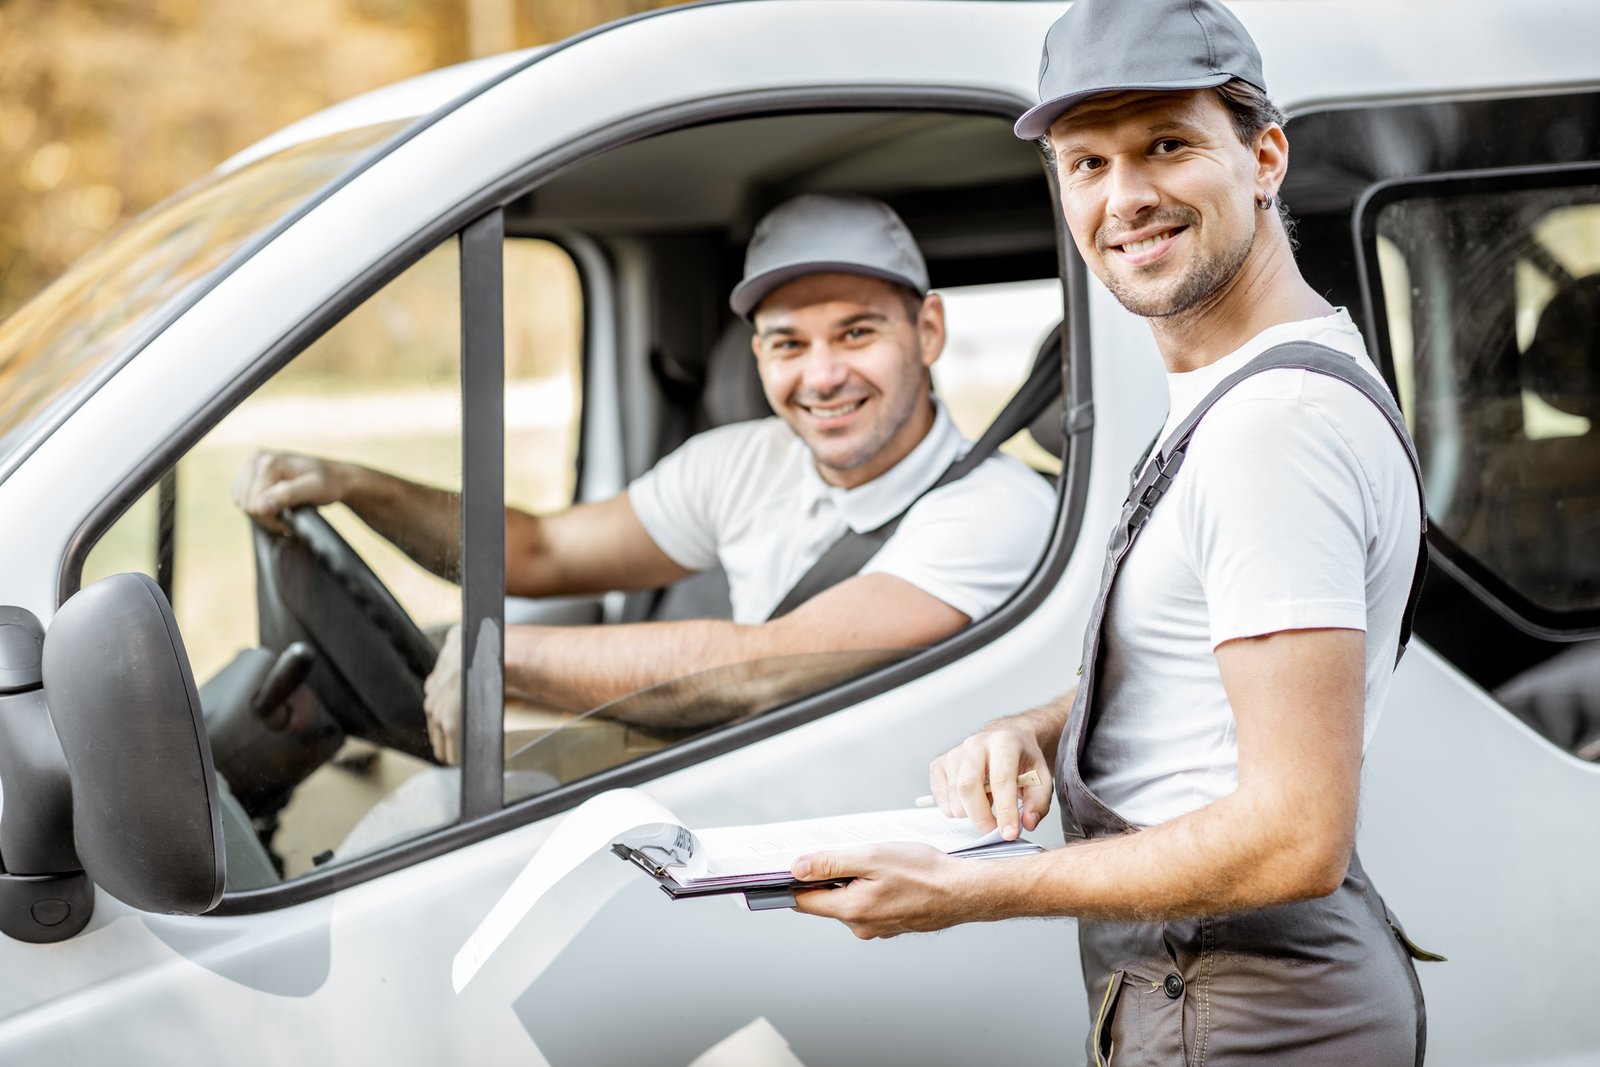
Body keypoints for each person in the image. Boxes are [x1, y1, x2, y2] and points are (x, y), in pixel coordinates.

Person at [789, 2, 1431, 1063]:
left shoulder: (1274, 428)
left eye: (1164, 146)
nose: (1122, 197)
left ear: (1263, 155)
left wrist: (969, 887)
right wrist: (1042, 728)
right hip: (1210, 989)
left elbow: (1292, 831)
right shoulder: (1246, 390)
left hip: (1245, 1008)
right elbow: (1207, 668)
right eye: (1085, 162)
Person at [234, 193, 1056, 765]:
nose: (823, 374)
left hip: (892, 850)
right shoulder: (744, 461)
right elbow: (543, 551)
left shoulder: (995, 509)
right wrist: (356, 485)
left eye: (856, 332)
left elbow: (763, 665)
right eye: (787, 343)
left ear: (930, 330)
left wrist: (505, 653)